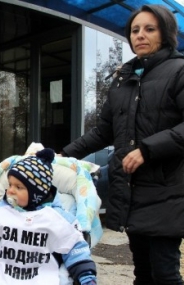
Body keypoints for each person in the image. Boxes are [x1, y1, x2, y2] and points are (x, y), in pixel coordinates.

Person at [61, 4, 184, 284]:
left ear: (165, 34)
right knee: (142, 272)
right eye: (135, 30)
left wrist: (147, 149)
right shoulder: (124, 80)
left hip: (167, 192)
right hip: (131, 191)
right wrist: (63, 154)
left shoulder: (179, 71)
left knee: (165, 274)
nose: (140, 35)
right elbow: (103, 131)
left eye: (149, 29)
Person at [0, 149, 97, 285]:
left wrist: (85, 274)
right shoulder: (1, 211)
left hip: (42, 276)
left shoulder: (56, 218)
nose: (11, 190)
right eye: (10, 185)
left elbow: (74, 246)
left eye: (18, 187)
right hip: (3, 275)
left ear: (36, 195)